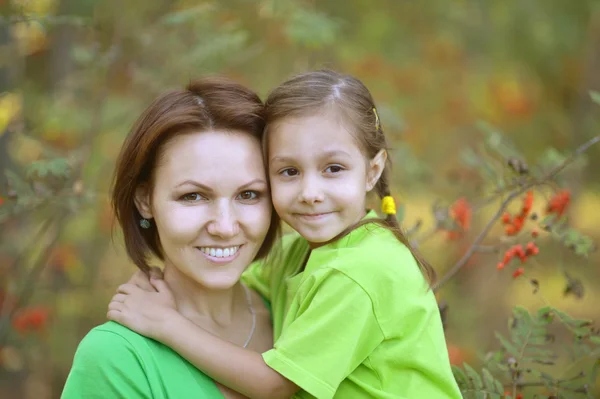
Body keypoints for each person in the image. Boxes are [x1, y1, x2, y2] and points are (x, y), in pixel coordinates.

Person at [108, 70, 462, 399]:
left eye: (333, 169)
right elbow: (224, 269)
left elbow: (274, 385)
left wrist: (164, 322)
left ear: (372, 171)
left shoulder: (360, 272)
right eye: (289, 171)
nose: (310, 192)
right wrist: (154, 283)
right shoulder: (296, 252)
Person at [61, 77, 280, 398]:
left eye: (248, 194)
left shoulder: (298, 315)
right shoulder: (117, 357)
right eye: (193, 196)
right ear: (145, 200)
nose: (224, 226)